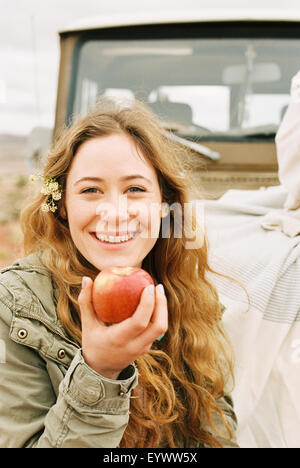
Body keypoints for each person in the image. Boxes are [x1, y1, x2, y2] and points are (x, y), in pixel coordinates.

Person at [0, 97, 238, 448]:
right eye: (91, 190)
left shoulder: (191, 296)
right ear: (63, 206)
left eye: (135, 189)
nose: (114, 211)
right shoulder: (15, 307)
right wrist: (99, 371)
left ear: (163, 206)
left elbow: (218, 434)